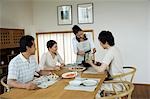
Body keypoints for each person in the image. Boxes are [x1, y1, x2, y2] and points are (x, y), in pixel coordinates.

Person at [87, 31, 124, 98]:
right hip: (121, 80)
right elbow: (109, 64)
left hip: (117, 84)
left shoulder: (110, 52)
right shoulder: (115, 49)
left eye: (100, 42)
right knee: (100, 82)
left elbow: (101, 70)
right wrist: (99, 63)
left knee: (95, 88)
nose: (100, 44)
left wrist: (91, 63)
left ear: (106, 42)